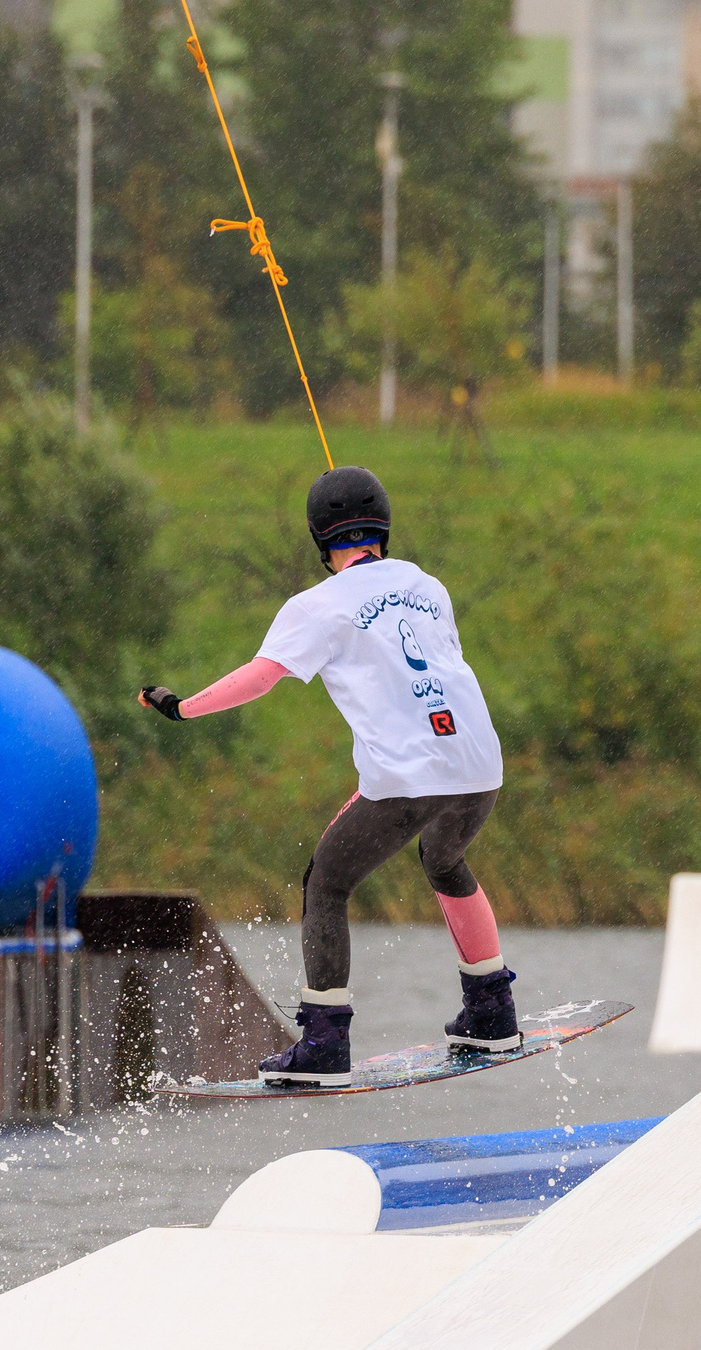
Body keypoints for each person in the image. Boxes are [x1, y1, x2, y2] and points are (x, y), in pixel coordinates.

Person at [137, 465, 516, 1086]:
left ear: (320, 538)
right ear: (383, 528)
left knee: (327, 883)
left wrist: (181, 708)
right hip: (480, 768)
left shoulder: (315, 606)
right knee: (445, 862)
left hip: (407, 778)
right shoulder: (428, 586)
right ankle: (493, 1011)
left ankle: (324, 1043)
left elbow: (261, 677)